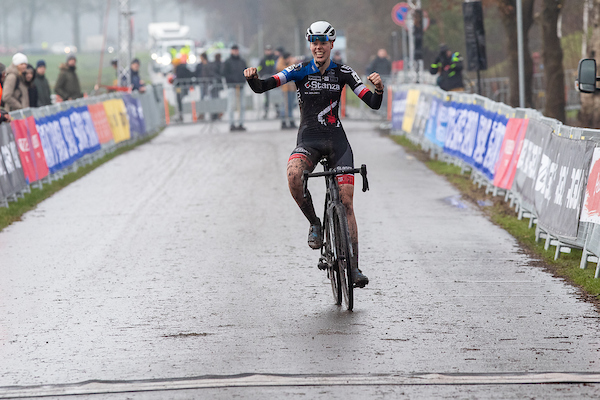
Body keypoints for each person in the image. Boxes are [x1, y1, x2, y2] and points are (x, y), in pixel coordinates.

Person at [244, 21, 384, 288]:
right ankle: (315, 223)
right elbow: (264, 86)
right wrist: (252, 79)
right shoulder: (299, 70)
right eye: (314, 43)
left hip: (337, 143)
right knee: (294, 176)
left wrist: (379, 89)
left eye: (323, 43)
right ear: (310, 45)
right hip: (308, 141)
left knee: (347, 203)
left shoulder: (344, 72)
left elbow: (373, 103)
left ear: (331, 44)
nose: (318, 47)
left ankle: (354, 268)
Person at [223, 44, 248, 131]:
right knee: (231, 105)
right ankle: (232, 123)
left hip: (241, 86)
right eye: (234, 50)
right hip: (231, 86)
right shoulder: (228, 62)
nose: (235, 52)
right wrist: (232, 81)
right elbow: (225, 73)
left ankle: (241, 123)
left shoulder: (242, 61)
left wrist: (244, 80)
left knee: (242, 106)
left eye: (236, 50)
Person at [276, 52, 297, 129]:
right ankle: (283, 121)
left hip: (291, 87)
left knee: (291, 105)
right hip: (284, 88)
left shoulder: (291, 61)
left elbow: (294, 69)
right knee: (285, 105)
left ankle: (291, 121)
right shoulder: (280, 62)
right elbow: (282, 69)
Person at [257, 45, 278, 118]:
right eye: (267, 50)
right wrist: (264, 76)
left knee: (276, 97)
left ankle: (277, 112)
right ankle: (266, 112)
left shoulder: (275, 58)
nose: (268, 51)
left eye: (269, 50)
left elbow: (277, 68)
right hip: (266, 82)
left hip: (275, 81)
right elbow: (259, 70)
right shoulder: (263, 60)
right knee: (266, 99)